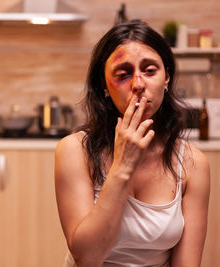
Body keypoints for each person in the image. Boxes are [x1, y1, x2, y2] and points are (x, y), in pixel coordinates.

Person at [55, 20, 210, 267]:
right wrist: (122, 167)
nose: (138, 84)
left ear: (167, 77)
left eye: (150, 70)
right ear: (104, 87)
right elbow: (87, 258)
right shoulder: (74, 150)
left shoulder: (193, 163)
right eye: (123, 74)